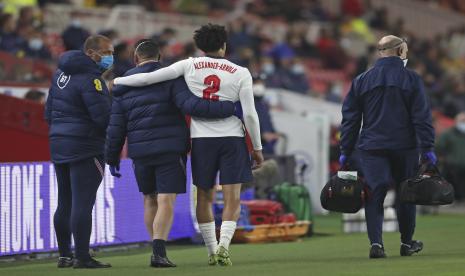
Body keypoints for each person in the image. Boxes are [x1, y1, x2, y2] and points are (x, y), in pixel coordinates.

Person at [112, 24, 263, 266]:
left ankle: (211, 251)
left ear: (200, 46)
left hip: (201, 139)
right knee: (232, 196)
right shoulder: (240, 71)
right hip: (232, 138)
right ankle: (224, 246)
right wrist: (257, 147)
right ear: (224, 45)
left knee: (204, 196)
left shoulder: (188, 65)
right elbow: (251, 115)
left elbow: (149, 77)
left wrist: (118, 80)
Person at [339, 35, 436, 259]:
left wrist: (345, 150)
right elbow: (421, 117)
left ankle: (376, 244)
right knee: (406, 193)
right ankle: (406, 243)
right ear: (401, 51)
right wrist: (428, 147)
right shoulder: (411, 79)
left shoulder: (361, 80)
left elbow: (351, 120)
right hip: (405, 146)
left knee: (375, 192)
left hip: (371, 146)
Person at [44, 35, 114, 269]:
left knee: (64, 201)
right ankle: (82, 257)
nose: (110, 57)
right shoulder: (91, 79)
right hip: (85, 146)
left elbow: (48, 112)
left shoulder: (60, 74)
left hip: (59, 142)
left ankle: (64, 255)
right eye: (107, 52)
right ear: (92, 53)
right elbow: (103, 117)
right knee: (83, 203)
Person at [436, 112, 465, 202]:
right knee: (453, 185)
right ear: (456, 121)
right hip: (452, 166)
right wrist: (445, 158)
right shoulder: (448, 134)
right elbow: (439, 147)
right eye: (462, 121)